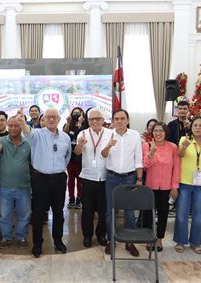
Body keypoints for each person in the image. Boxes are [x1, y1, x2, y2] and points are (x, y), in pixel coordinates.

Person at [19, 107, 71, 258]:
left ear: (59, 119)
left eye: (55, 116)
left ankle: (58, 241)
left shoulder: (65, 138)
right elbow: (27, 131)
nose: (51, 119)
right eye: (48, 116)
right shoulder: (36, 134)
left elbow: (66, 158)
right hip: (40, 179)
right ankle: (37, 244)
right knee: (38, 214)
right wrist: (22, 122)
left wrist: (59, 170)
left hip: (59, 178)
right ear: (44, 119)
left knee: (58, 213)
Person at [101, 109, 143, 256]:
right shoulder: (107, 134)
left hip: (129, 178)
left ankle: (129, 242)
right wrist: (108, 146)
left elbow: (138, 159)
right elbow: (103, 155)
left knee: (130, 213)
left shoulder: (135, 135)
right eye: (116, 119)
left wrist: (139, 179)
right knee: (110, 212)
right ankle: (110, 241)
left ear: (128, 120)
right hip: (112, 177)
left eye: (122, 118)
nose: (119, 121)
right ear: (113, 121)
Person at [173, 117, 201, 254]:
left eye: (200, 125)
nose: (198, 128)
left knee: (199, 215)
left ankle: (196, 242)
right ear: (191, 128)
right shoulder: (184, 140)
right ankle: (180, 241)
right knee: (181, 214)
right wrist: (184, 146)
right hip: (185, 182)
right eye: (195, 125)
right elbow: (179, 156)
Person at [0, 116, 31, 249]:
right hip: (5, 186)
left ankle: (21, 237)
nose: (13, 128)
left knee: (24, 214)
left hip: (24, 186)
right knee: (5, 214)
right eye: (11, 126)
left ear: (21, 126)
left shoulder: (28, 143)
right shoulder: (1, 140)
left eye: (16, 125)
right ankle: (6, 238)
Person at [74, 108, 111, 248]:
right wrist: (80, 145)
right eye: (91, 119)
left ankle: (101, 234)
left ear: (102, 120)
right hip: (88, 177)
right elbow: (77, 153)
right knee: (87, 210)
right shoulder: (82, 133)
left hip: (105, 177)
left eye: (97, 119)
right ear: (88, 121)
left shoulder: (110, 133)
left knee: (103, 210)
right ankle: (87, 236)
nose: (94, 121)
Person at [142, 122, 180, 252]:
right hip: (150, 186)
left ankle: (159, 239)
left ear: (166, 133)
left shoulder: (173, 147)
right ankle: (149, 238)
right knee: (148, 214)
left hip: (166, 187)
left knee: (163, 214)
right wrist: (151, 153)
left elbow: (176, 168)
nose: (158, 133)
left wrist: (175, 186)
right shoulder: (146, 146)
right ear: (152, 133)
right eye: (156, 131)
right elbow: (146, 165)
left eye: (161, 131)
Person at [64, 107, 85, 209]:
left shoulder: (85, 126)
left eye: (78, 113)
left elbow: (80, 137)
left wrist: (80, 124)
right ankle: (71, 198)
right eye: (74, 113)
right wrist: (68, 122)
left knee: (80, 179)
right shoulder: (69, 124)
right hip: (71, 157)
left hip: (81, 157)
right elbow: (64, 134)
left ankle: (79, 198)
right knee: (71, 179)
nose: (76, 114)